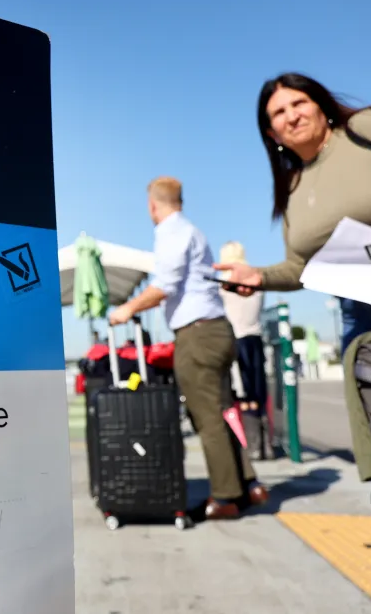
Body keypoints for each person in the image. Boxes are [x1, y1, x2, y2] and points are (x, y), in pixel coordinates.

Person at [213, 72, 371, 359]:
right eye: (279, 113)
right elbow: (301, 267)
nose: (292, 116)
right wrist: (260, 276)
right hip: (360, 313)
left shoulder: (362, 128)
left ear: (321, 106)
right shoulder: (291, 187)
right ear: (272, 133)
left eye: (299, 103)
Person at [109, 177, 268, 519]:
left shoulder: (171, 232)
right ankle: (248, 484)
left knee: (206, 417)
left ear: (153, 205)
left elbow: (165, 284)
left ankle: (225, 498)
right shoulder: (192, 231)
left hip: (197, 335)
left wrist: (128, 309)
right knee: (221, 412)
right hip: (216, 330)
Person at [217, 241, 268, 416]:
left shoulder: (224, 282)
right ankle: (260, 425)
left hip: (236, 338)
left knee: (242, 392)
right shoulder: (255, 277)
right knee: (258, 388)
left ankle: (246, 428)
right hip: (256, 336)